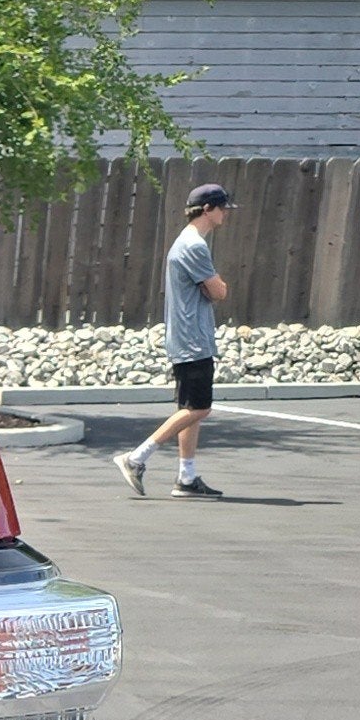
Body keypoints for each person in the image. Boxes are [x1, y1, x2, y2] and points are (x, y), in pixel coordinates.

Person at [121, 185, 232, 497]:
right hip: (193, 338)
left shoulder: (186, 242)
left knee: (189, 408)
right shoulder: (194, 246)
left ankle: (186, 477)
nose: (225, 213)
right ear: (208, 209)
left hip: (186, 337)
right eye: (222, 208)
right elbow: (219, 291)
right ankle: (135, 458)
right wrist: (217, 286)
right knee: (200, 408)